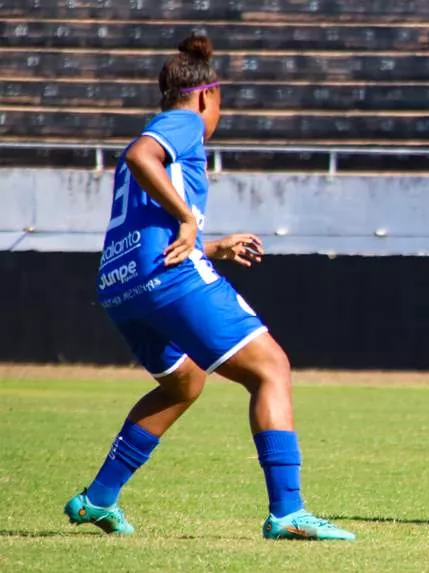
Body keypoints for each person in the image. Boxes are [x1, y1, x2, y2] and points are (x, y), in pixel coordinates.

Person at [63, 34, 355, 541]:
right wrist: (188, 222)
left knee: (184, 382)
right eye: (220, 105)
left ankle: (98, 499)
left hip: (121, 282)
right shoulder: (185, 122)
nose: (217, 117)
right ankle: (288, 510)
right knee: (271, 368)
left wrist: (209, 246)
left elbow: (146, 214)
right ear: (205, 96)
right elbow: (139, 155)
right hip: (165, 278)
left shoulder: (170, 136)